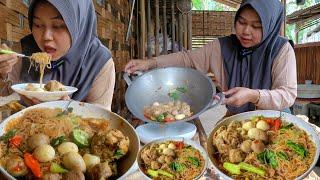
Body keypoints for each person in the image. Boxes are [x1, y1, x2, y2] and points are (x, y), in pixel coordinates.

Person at [125, 0, 297, 116]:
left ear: (270, 26)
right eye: (242, 22)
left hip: (275, 119)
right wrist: (150, 63)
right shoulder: (222, 47)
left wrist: (254, 96)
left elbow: (287, 95)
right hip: (236, 119)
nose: (246, 31)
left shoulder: (281, 49)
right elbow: (188, 59)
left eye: (256, 26)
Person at [0, 0, 115, 110]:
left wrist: (67, 108)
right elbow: (5, 97)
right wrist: (2, 73)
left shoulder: (99, 61)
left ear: (78, 23)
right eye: (38, 25)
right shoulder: (23, 50)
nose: (46, 37)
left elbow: (101, 118)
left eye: (58, 25)